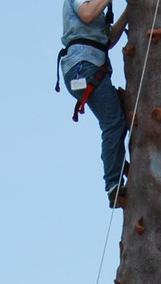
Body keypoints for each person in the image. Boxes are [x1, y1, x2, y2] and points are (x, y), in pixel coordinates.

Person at [59, 0, 132, 207]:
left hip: (88, 67)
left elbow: (107, 40)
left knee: (118, 118)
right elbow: (87, 14)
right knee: (114, 123)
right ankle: (113, 183)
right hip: (83, 66)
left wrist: (129, 10)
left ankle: (118, 166)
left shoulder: (98, 9)